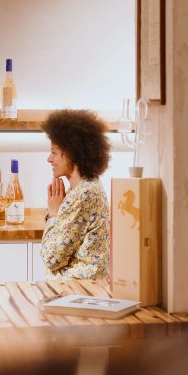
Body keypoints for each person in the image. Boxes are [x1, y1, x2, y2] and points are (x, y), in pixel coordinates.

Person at [40, 109, 111, 280]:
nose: (49, 159)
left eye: (54, 152)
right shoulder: (86, 186)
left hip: (78, 289)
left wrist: (53, 215)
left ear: (72, 153)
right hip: (79, 287)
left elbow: (52, 258)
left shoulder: (83, 194)